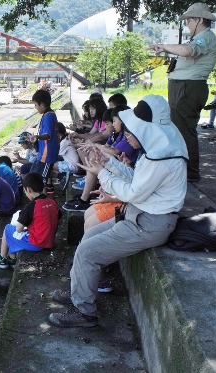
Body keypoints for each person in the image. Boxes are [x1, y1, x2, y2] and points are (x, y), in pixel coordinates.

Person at [49, 95, 188, 328]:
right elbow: (137, 180)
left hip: (148, 224)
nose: (126, 137)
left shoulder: (162, 158)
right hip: (138, 215)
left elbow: (133, 192)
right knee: (88, 240)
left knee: (87, 252)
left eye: (129, 133)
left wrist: (101, 172)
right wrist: (109, 163)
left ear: (145, 131)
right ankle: (78, 290)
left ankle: (85, 313)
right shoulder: (156, 149)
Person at [150, 2, 216, 182]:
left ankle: (190, 173)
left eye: (190, 20)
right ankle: (184, 170)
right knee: (179, 129)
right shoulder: (199, 37)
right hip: (184, 86)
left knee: (184, 130)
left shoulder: (206, 37)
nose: (187, 24)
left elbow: (188, 51)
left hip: (189, 87)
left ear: (200, 20)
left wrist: (165, 46)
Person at [0, 172, 61, 269]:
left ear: (28, 189)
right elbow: (56, 217)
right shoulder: (53, 202)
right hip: (50, 241)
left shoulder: (31, 207)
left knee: (8, 229)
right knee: (20, 232)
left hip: (37, 244)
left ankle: (2, 258)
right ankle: (12, 258)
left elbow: (18, 229)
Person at [28, 89, 60, 194]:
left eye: (35, 105)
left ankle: (43, 199)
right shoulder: (48, 114)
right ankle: (44, 192)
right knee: (33, 174)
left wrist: (37, 137)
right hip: (42, 154)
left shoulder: (48, 117)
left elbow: (47, 135)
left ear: (42, 105)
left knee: (42, 179)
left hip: (47, 155)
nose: (35, 107)